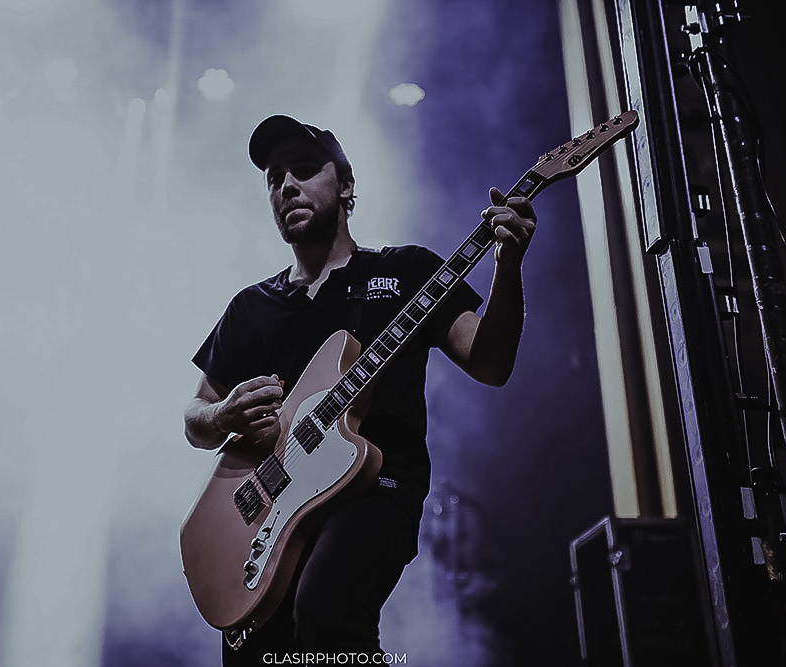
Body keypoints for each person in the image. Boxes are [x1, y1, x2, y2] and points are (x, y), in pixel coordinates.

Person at [184, 115, 536, 664]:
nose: (287, 187)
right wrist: (223, 413)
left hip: (375, 487)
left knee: (327, 613)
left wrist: (507, 266)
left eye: (304, 169)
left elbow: (490, 363)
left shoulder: (409, 271)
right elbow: (195, 418)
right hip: (272, 507)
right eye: (274, 178)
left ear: (346, 185)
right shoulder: (252, 307)